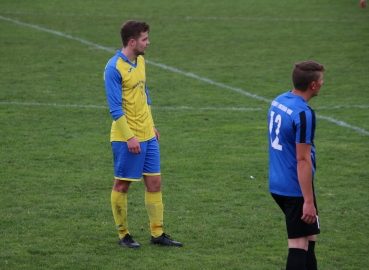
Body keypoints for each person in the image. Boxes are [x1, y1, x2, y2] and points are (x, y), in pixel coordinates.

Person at [104, 20, 182, 248]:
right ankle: (123, 234)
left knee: (155, 183)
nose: (148, 43)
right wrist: (130, 137)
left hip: (147, 134)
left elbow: (144, 95)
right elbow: (115, 108)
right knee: (122, 185)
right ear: (132, 41)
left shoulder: (141, 61)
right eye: (145, 39)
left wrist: (152, 125)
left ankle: (157, 234)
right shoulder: (113, 68)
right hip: (126, 138)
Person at [268, 61, 325, 269]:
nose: (322, 84)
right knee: (298, 244)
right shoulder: (304, 113)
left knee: (309, 238)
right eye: (321, 81)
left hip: (277, 181)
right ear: (312, 85)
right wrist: (308, 201)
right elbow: (302, 159)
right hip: (295, 188)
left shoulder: (279, 101)